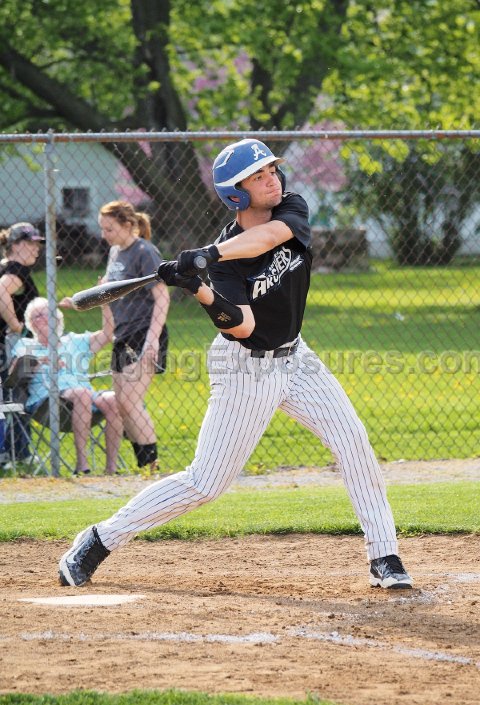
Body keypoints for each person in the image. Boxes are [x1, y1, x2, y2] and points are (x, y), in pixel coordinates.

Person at [58, 138, 413, 591]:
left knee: (353, 441)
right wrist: (198, 287)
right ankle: (99, 539)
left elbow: (266, 239)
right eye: (258, 176)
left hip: (297, 357)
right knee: (205, 483)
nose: (272, 180)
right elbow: (242, 326)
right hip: (245, 367)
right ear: (236, 195)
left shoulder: (291, 209)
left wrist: (207, 255)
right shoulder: (225, 266)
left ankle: (384, 555)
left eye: (272, 171)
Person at [60, 201, 170, 470]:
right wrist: (80, 302)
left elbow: (163, 297)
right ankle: (145, 467)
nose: (104, 234)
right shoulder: (115, 252)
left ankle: (152, 468)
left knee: (130, 402)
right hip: (122, 334)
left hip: (144, 332)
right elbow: (108, 293)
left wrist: (152, 340)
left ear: (128, 225)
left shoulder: (144, 252)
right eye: (102, 228)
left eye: (109, 228)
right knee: (122, 404)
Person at [11, 296, 123, 475]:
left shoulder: (75, 341)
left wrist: (103, 304)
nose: (44, 318)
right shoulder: (25, 345)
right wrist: (39, 361)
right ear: (31, 323)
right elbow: (13, 374)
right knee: (82, 393)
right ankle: (82, 464)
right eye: (37, 316)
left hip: (85, 396)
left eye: (48, 313)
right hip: (47, 402)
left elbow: (108, 333)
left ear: (58, 318)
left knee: (114, 400)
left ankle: (111, 468)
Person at [0, 222, 44, 463]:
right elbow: (1, 292)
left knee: (8, 397)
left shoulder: (6, 266)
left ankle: (12, 451)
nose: (36, 248)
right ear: (15, 245)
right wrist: (16, 324)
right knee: (16, 395)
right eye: (30, 243)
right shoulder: (17, 270)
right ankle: (18, 452)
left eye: (38, 244)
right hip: (10, 345)